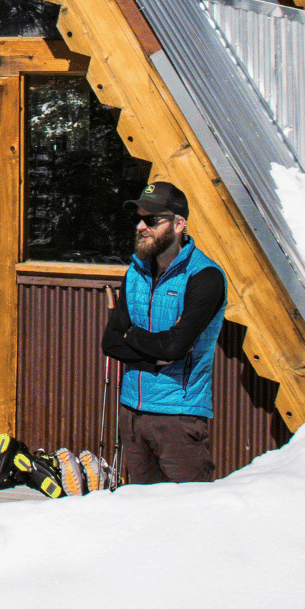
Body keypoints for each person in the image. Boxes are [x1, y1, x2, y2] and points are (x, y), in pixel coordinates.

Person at [100, 181, 226, 483]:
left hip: (178, 417)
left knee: (189, 514)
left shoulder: (205, 276)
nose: (142, 226)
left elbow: (174, 347)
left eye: (152, 219)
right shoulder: (135, 273)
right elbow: (110, 342)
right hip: (132, 414)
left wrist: (133, 336)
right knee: (145, 513)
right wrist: (150, 358)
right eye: (139, 219)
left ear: (179, 224)